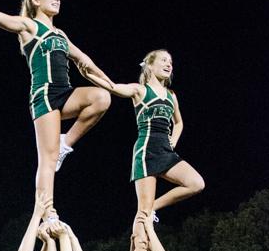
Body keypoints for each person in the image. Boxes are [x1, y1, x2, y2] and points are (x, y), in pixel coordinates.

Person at [0, 0, 113, 217]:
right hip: (44, 95)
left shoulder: (60, 35)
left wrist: (113, 85)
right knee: (47, 158)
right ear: (36, 0)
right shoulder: (30, 26)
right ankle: (47, 213)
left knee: (101, 98)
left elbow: (85, 62)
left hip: (65, 93)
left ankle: (66, 143)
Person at [83, 49, 204, 239]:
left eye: (170, 62)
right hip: (146, 151)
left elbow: (179, 122)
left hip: (165, 151)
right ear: (149, 65)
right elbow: (114, 87)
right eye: (164, 60)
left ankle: (153, 206)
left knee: (196, 183)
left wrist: (173, 140)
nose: (168, 64)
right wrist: (90, 73)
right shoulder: (140, 90)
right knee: (143, 214)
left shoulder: (171, 95)